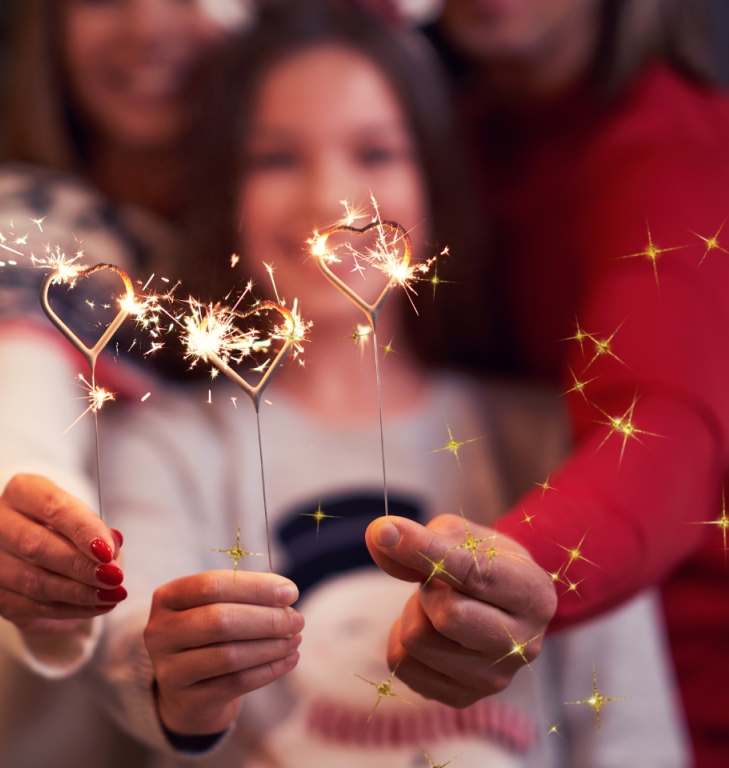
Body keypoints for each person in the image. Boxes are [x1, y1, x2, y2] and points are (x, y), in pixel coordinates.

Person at [91, 3, 688, 765]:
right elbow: (123, 655)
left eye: (375, 153)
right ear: (221, 194)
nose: (329, 199)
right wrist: (175, 682)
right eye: (274, 159)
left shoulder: (549, 441)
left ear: (434, 180)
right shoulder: (167, 448)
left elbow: (633, 735)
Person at [0, 1, 251, 766]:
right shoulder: (32, 233)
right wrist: (22, 544)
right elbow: (2, 429)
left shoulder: (314, 243)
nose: (147, 26)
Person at [360, 1, 729, 763]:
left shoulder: (670, 152)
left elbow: (658, 425)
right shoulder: (437, 117)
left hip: (680, 686)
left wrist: (521, 568)